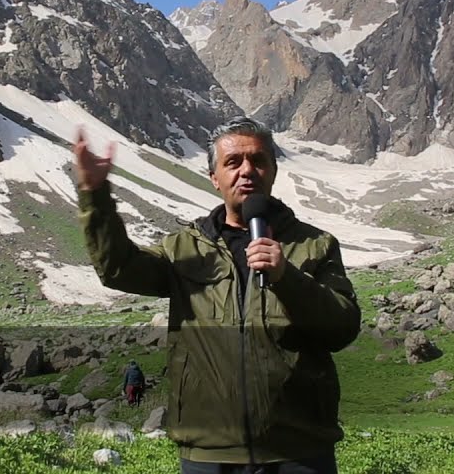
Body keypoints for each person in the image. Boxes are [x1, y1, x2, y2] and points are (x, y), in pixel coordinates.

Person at [74, 116, 360, 474]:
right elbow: (119, 269)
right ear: (214, 177)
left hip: (299, 449)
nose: (247, 171)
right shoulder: (183, 248)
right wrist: (96, 197)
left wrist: (287, 277)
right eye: (233, 162)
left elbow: (343, 327)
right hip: (208, 452)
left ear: (273, 170)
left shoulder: (315, 245)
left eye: (258, 160)